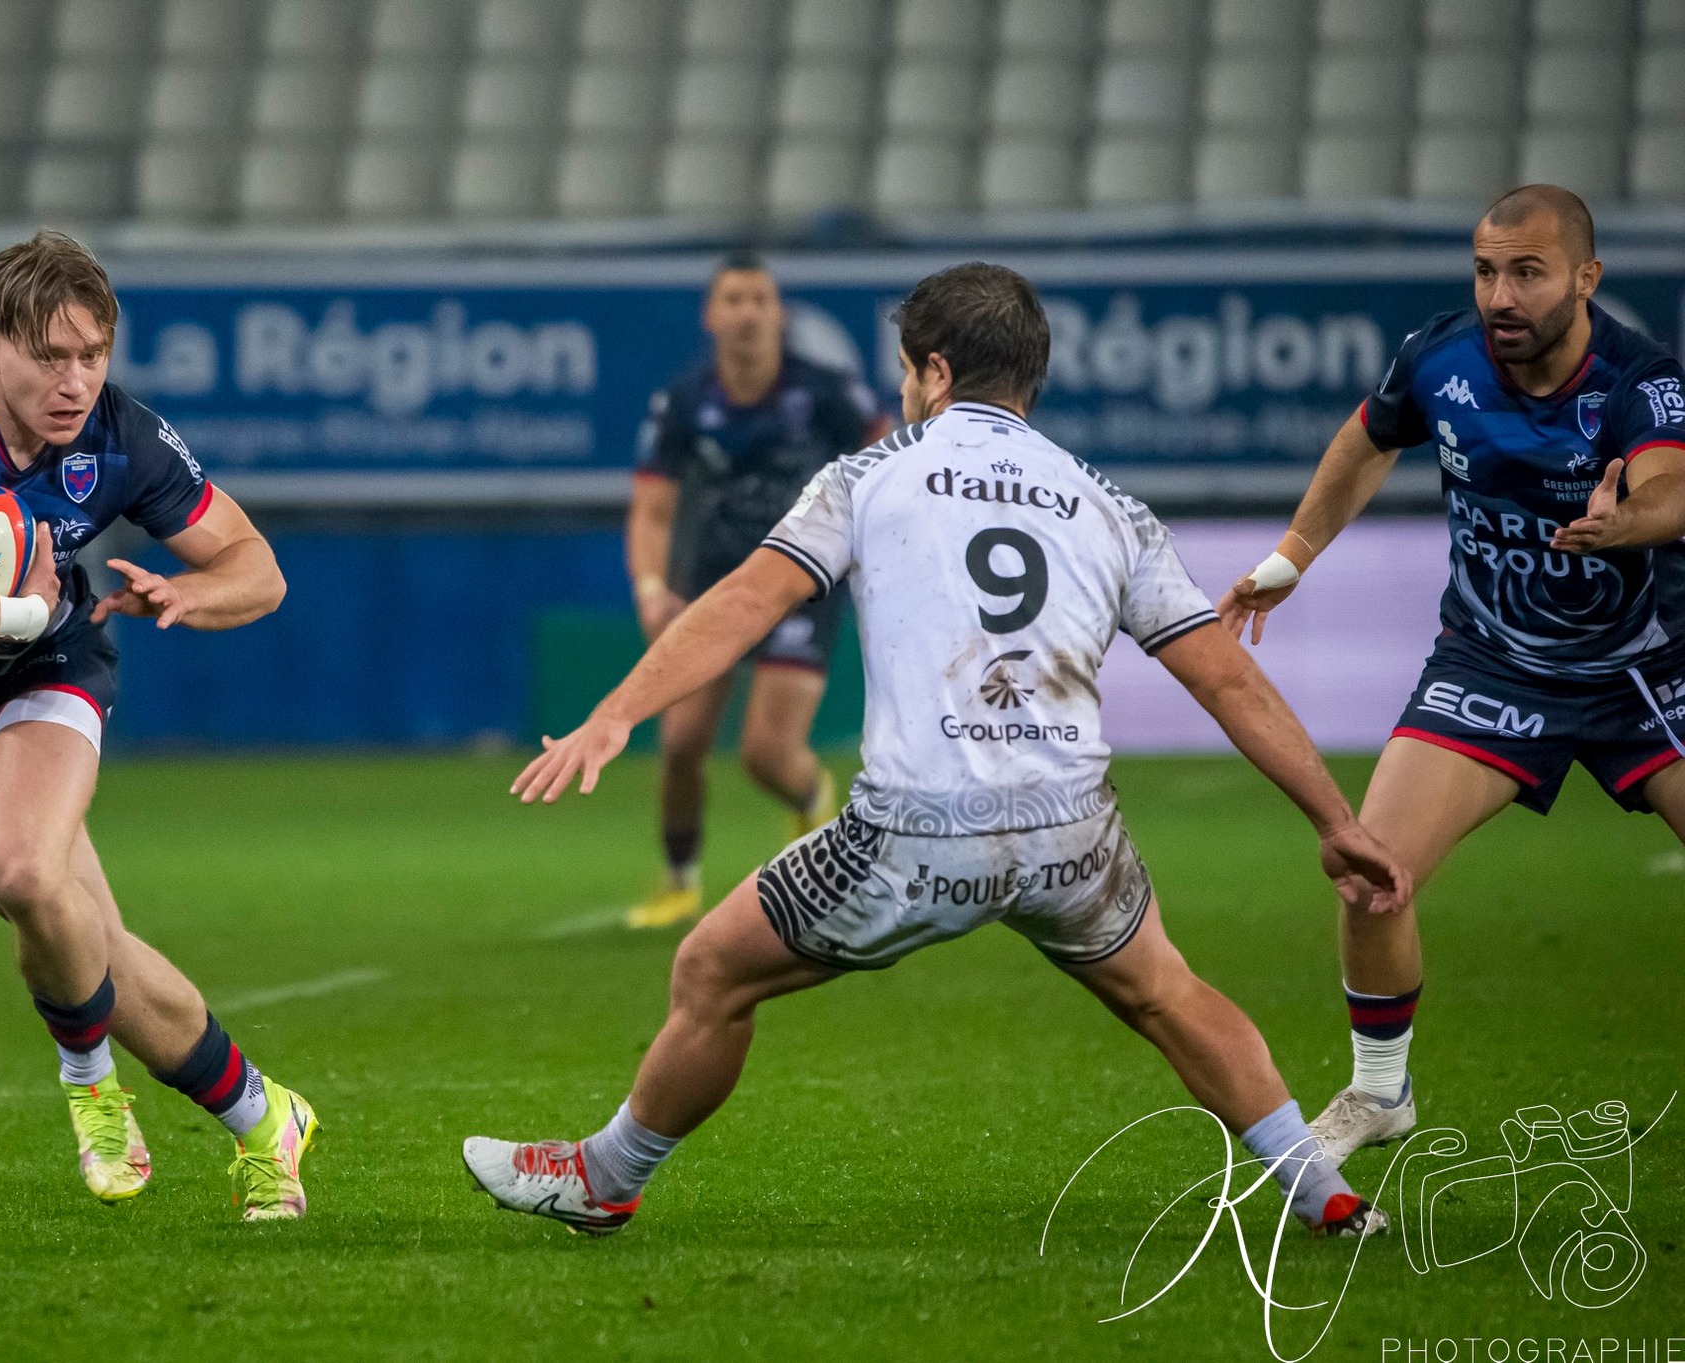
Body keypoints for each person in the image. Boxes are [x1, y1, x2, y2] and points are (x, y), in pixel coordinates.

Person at [464, 263, 1412, 1240]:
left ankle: (604, 1178)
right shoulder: (1105, 504)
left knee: (710, 970)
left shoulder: (870, 474)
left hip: (916, 830)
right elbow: (1225, 678)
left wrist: (618, 712)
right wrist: (1333, 821)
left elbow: (747, 600)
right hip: (1069, 831)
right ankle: (1324, 1196)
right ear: (1029, 379)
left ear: (932, 370)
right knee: (1166, 992)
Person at [0, 230, 315, 1221]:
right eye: (52, 355)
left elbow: (258, 568)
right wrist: (10, 610)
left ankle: (89, 1084)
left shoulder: (121, 436)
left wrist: (189, 593)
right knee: (90, 942)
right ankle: (267, 1117)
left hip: (47, 663)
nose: (76, 379)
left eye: (93, 354)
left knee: (23, 867)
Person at [1219, 184, 1685, 1167]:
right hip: (1490, 664)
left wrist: (1622, 523)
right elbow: (1363, 439)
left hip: (1644, 670)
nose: (1499, 295)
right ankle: (1379, 1090)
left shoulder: (1638, 378)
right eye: (1484, 271)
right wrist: (1292, 555)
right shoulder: (1437, 359)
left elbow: (1671, 491)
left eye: (1526, 271)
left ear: (1583, 279)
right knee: (1368, 875)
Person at [622, 252, 886, 929]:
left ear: (779, 313)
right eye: (733, 300)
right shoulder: (684, 401)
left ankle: (813, 799)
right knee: (681, 741)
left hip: (802, 583)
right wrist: (653, 588)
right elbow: (651, 509)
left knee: (766, 753)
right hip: (714, 585)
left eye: (759, 300)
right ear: (712, 315)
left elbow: (893, 462)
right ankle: (679, 878)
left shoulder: (827, 392)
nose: (746, 313)